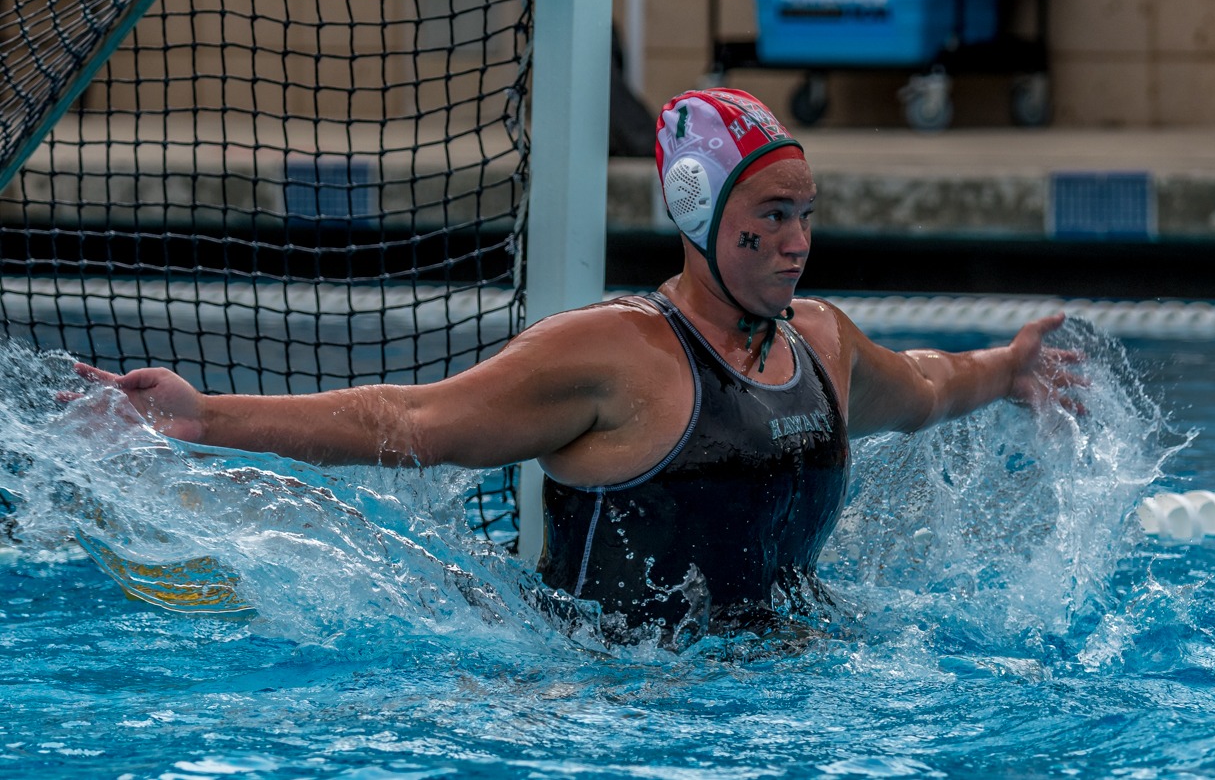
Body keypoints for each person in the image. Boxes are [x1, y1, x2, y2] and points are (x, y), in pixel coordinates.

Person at [78, 89, 1082, 640]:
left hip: (792, 675)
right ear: (700, 216)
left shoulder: (818, 343)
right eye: (770, 218)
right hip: (605, 700)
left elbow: (925, 388)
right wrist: (204, 416)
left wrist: (1008, 365)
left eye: (804, 218)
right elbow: (415, 424)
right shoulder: (610, 352)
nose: (795, 243)